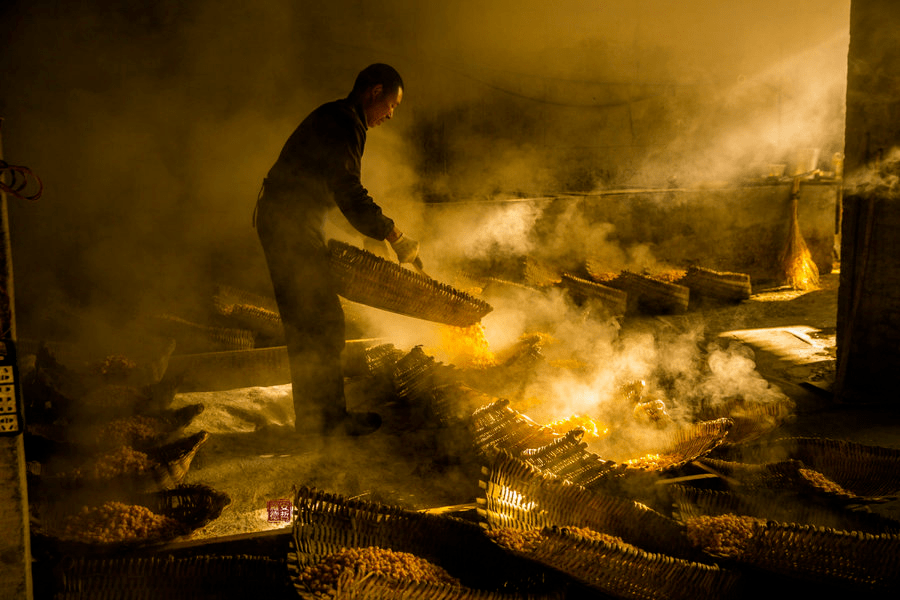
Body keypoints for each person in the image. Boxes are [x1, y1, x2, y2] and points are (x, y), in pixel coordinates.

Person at [254, 63, 420, 436]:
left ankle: (318, 419)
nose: (391, 115)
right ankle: (325, 423)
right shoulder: (346, 122)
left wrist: (365, 235)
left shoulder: (335, 116)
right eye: (392, 105)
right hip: (290, 226)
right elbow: (348, 190)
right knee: (321, 322)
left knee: (312, 323)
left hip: (289, 223)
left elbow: (332, 189)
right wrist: (394, 235)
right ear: (374, 92)